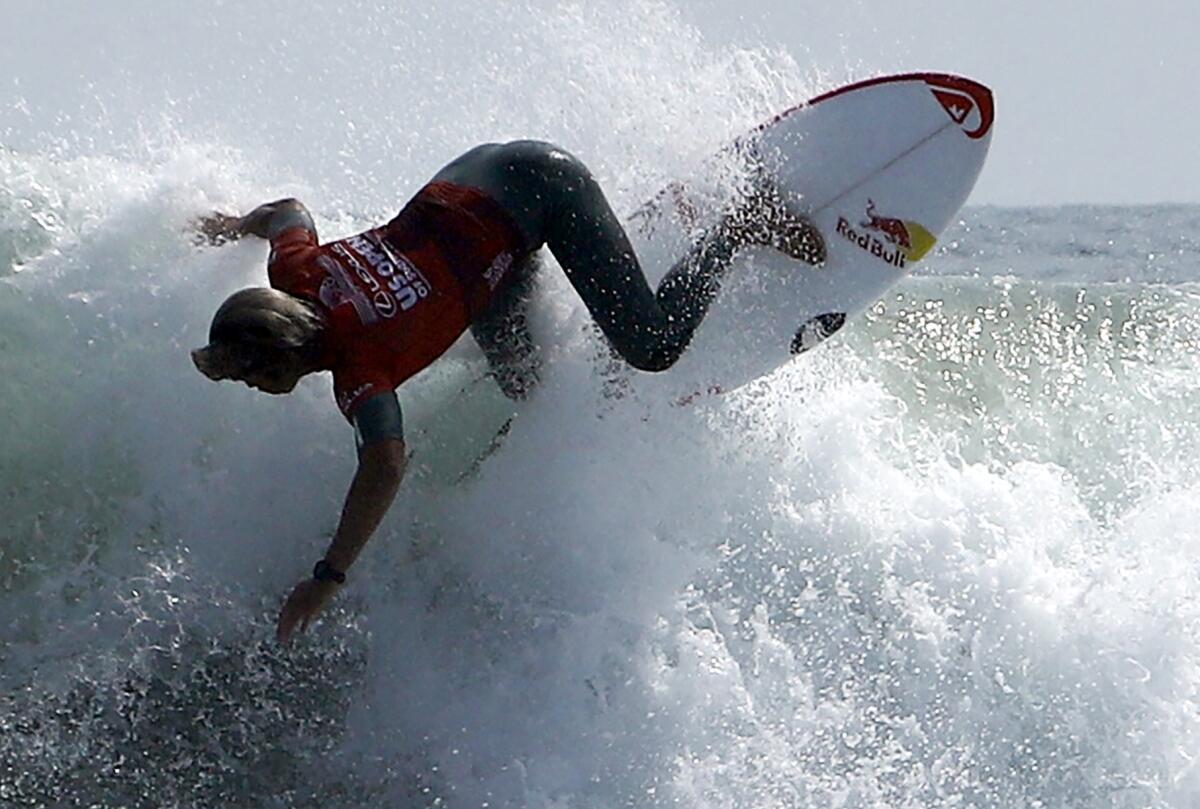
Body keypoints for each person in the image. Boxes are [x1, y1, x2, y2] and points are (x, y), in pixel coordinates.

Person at [191, 140, 824, 643]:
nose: (249, 385)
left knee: (651, 346)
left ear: (285, 355)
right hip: (476, 189)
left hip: (542, 189)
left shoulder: (363, 364)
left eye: (248, 373)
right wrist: (232, 225)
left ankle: (739, 227)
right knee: (532, 390)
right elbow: (288, 211)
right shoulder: (295, 272)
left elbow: (384, 464)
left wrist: (329, 578)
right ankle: (609, 289)